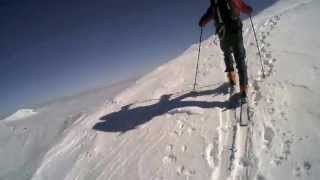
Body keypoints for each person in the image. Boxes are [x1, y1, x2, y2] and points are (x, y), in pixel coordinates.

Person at [198, 0, 253, 98]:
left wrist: (202, 22)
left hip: (223, 35)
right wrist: (249, 10)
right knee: (240, 59)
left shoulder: (214, 4)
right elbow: (245, 8)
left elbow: (204, 20)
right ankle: (243, 88)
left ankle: (231, 78)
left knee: (227, 55)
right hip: (235, 32)